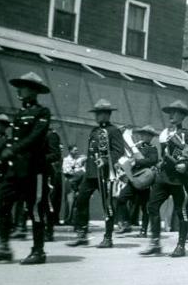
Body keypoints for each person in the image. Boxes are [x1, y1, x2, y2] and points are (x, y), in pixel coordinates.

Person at [0, 72, 51, 264]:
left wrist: (12, 150)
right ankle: (4, 248)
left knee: (35, 209)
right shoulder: (20, 113)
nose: (19, 91)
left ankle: (38, 251)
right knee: (2, 203)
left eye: (23, 87)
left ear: (34, 91)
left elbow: (35, 138)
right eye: (19, 87)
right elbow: (15, 140)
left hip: (34, 170)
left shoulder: (42, 112)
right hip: (16, 169)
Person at [139, 100, 188, 257]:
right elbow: (164, 155)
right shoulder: (164, 133)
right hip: (163, 178)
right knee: (152, 207)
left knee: (180, 212)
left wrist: (186, 166)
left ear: (182, 116)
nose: (171, 115)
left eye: (175, 113)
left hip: (179, 180)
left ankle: (181, 246)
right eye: (170, 112)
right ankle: (155, 243)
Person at [67, 99, 126, 249]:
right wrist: (86, 160)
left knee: (107, 206)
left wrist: (105, 161)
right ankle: (82, 234)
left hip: (105, 174)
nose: (97, 116)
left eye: (100, 114)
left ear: (107, 115)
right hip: (91, 173)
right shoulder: (94, 131)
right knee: (80, 200)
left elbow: (119, 151)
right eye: (96, 114)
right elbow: (93, 151)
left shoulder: (114, 131)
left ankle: (108, 237)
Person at [115, 125, 159, 237]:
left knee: (145, 206)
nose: (146, 137)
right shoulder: (135, 146)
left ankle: (144, 230)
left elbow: (152, 160)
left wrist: (137, 162)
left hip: (145, 180)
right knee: (121, 199)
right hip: (133, 178)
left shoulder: (153, 148)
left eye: (149, 135)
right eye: (144, 134)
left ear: (151, 137)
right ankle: (126, 223)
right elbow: (128, 157)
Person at [43, 124, 63, 242]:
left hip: (49, 173)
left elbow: (56, 155)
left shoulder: (52, 135)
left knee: (48, 202)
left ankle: (49, 231)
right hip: (39, 171)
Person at [62, 145, 86, 227]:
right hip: (70, 181)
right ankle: (68, 219)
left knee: (77, 201)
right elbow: (67, 171)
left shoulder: (78, 159)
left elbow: (82, 169)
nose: (77, 152)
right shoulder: (66, 160)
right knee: (70, 201)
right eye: (75, 150)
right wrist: (78, 170)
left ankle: (74, 219)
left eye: (77, 150)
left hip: (78, 181)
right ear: (70, 151)